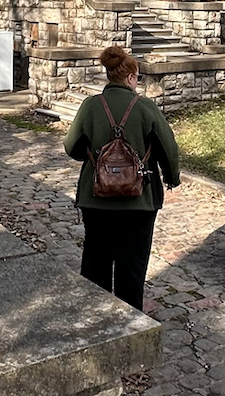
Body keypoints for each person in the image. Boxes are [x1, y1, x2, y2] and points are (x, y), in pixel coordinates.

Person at [64, 45, 181, 311]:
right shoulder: (145, 107)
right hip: (139, 202)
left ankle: (97, 317)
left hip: (96, 200)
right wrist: (172, 178)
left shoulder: (91, 106)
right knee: (132, 267)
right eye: (137, 78)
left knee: (96, 262)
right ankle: (130, 321)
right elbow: (169, 148)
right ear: (130, 77)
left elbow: (71, 147)